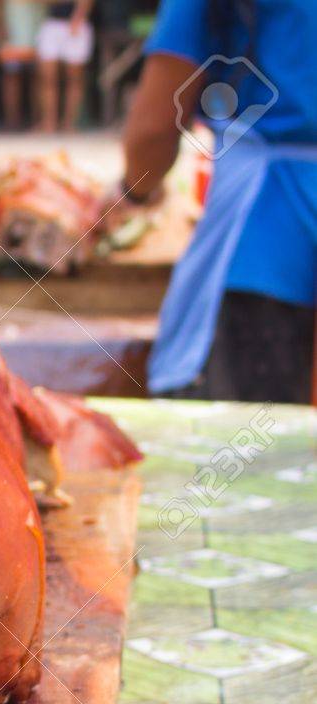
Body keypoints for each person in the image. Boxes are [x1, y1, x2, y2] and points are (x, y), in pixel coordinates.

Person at [117, 0, 317, 403]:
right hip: (275, 243)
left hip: (268, 242)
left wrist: (134, 192)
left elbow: (153, 130)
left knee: (248, 454)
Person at [36, 1, 93, 131]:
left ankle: (69, 124)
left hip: (77, 22)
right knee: (47, 78)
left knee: (75, 78)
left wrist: (79, 15)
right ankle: (49, 123)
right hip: (52, 23)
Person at [0, 1, 44, 130]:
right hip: (12, 28)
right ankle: (12, 120)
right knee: (11, 76)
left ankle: (38, 120)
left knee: (38, 76)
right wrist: (0, 25)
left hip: (37, 26)